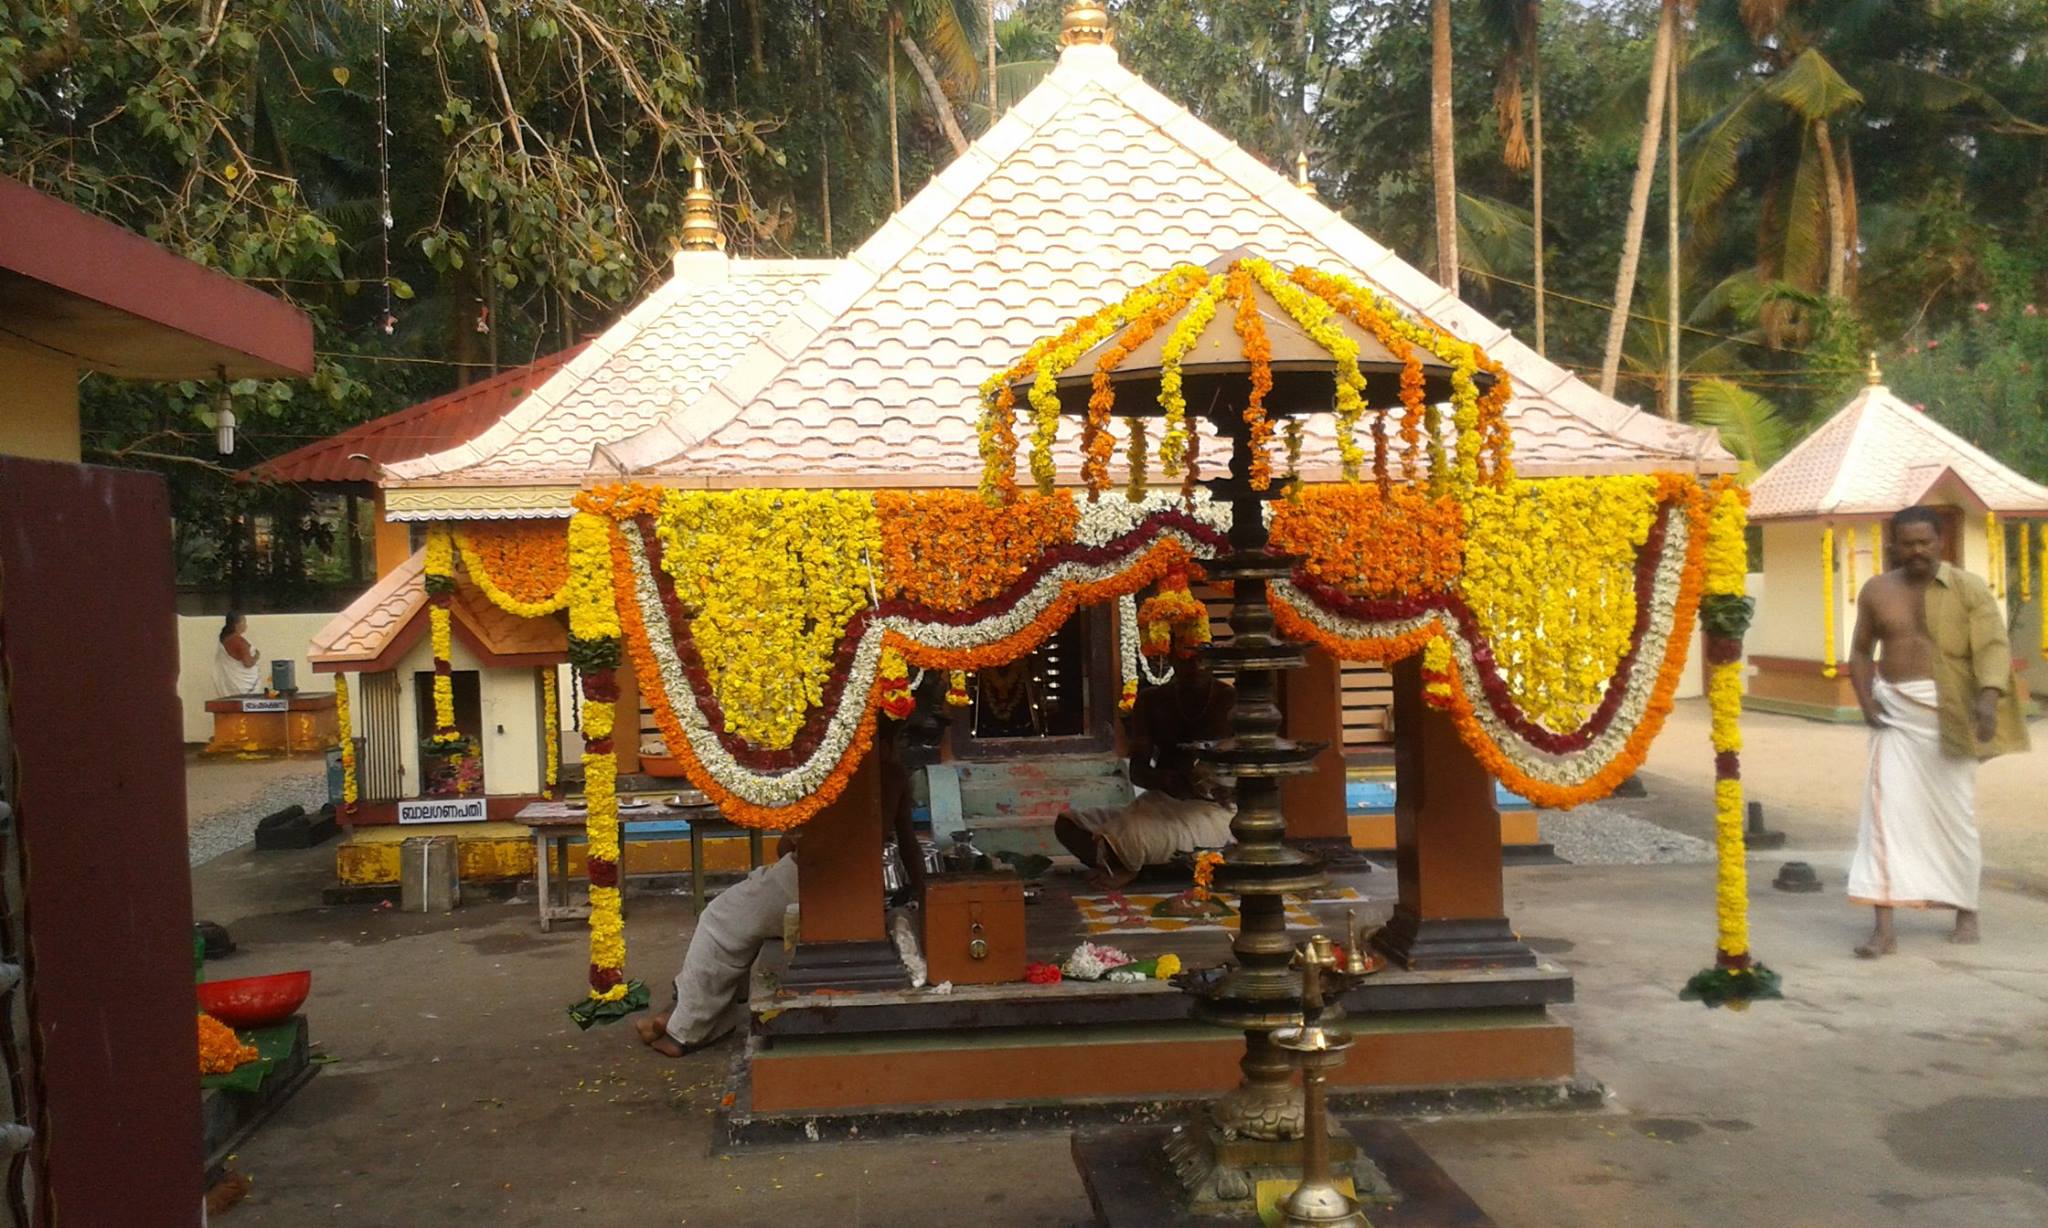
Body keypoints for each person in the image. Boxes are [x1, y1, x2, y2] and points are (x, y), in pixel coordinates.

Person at [1845, 505, 2029, 957]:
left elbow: (1992, 646)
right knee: (1884, 819)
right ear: (1894, 545)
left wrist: (1988, 698)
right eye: (1908, 543)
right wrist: (1866, 702)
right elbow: (1861, 652)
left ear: (1940, 542)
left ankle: (1966, 911)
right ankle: (1883, 931)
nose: (1918, 551)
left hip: (1952, 717)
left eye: (1925, 542)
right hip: (1896, 718)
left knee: (1956, 820)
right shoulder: (1876, 591)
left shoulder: (1968, 588)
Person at [1055, 580, 1235, 886]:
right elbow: (1138, 771)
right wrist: (1165, 779)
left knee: (1129, 835)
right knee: (1069, 825)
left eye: (1203, 659)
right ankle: (1143, 862)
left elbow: (1252, 771)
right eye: (1188, 659)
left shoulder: (1230, 699)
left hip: (1210, 808)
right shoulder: (1153, 700)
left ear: (1214, 661)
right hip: (1160, 802)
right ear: (1172, 658)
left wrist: (1217, 785)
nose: (1196, 667)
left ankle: (1132, 862)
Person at [636, 831, 800, 1057]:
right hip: (817, 875)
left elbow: (786, 846)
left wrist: (794, 832)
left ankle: (686, 1027)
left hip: (817, 879)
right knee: (751, 902)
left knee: (720, 919)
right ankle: (692, 1012)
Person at [212, 611, 262, 697]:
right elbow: (248, 663)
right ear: (237, 624)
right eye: (244, 622)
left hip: (229, 686)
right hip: (243, 687)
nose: (246, 626)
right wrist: (257, 656)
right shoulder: (239, 641)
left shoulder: (225, 639)